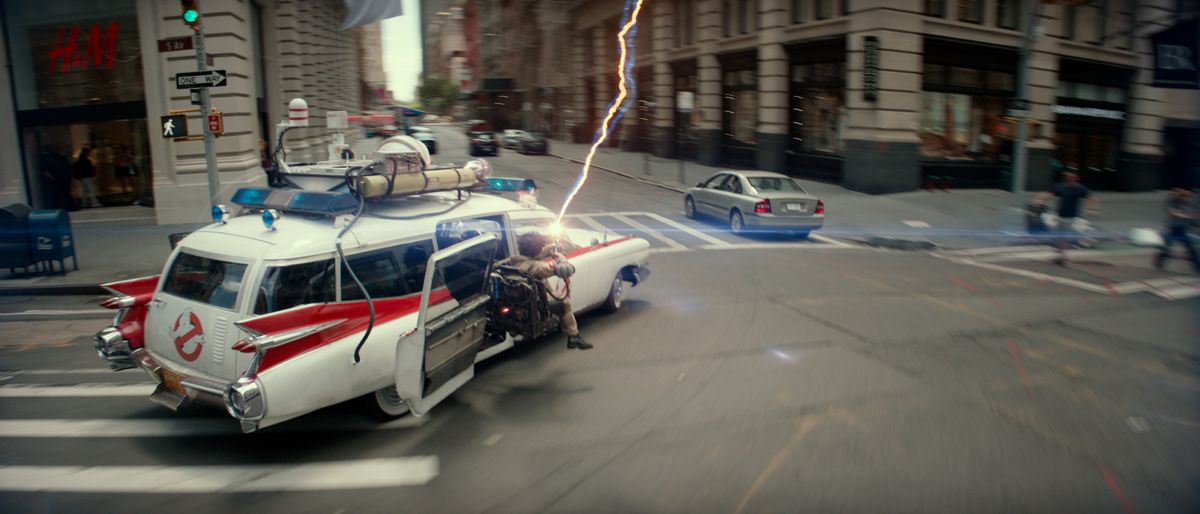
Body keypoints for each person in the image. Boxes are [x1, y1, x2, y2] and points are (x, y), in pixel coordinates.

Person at [503, 232, 591, 350]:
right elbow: (564, 269)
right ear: (537, 250)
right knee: (565, 303)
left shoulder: (514, 261)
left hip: (519, 301)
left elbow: (531, 257)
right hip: (538, 302)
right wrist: (561, 258)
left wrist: (549, 248)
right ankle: (573, 335)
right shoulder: (539, 267)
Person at [1034, 171, 1099, 266]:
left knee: (1064, 237)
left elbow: (1092, 198)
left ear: (1076, 179)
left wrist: (1092, 209)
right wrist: (1039, 199)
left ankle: (1063, 257)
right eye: (1068, 178)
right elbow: (1049, 194)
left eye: (1072, 178)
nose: (1070, 180)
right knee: (1059, 237)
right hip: (1059, 216)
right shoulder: (1061, 187)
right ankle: (1061, 255)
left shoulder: (1079, 189)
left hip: (1071, 217)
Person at [1153, 188, 1199, 273]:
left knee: (1191, 249)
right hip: (1172, 229)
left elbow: (1194, 217)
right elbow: (1174, 213)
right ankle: (1158, 264)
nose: (1187, 196)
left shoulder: (1188, 204)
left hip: (1183, 230)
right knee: (1165, 248)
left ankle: (1198, 267)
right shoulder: (1172, 202)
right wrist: (1188, 216)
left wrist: (1193, 218)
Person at [39, 146, 74, 210]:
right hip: (65, 178)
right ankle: (70, 206)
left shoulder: (46, 159)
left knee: (55, 194)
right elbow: (69, 168)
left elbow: (46, 171)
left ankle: (56, 207)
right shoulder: (62, 158)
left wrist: (51, 179)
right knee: (66, 193)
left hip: (56, 179)